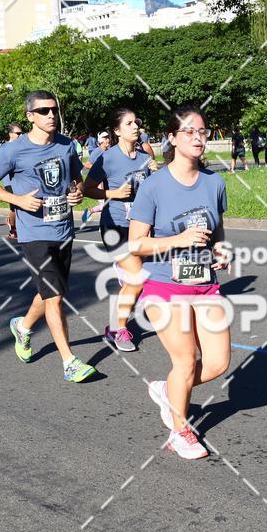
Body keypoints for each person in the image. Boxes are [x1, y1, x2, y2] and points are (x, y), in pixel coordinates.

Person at [129, 104, 231, 460]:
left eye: (202, 131)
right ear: (171, 138)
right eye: (188, 131)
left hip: (205, 283)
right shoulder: (153, 187)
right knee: (186, 361)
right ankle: (179, 430)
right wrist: (177, 240)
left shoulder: (214, 182)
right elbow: (136, 244)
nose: (198, 138)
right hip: (164, 286)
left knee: (218, 363)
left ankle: (168, 389)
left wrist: (221, 251)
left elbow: (216, 229)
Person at [0, 90, 96, 382]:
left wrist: (78, 194)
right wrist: (17, 200)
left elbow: (76, 181)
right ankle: (69, 362)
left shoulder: (67, 145)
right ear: (30, 116)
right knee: (55, 297)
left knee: (50, 292)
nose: (51, 115)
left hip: (64, 228)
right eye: (43, 111)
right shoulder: (13, 150)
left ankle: (23, 326)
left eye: (54, 110)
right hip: (34, 234)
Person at [79, 107, 158, 351]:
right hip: (115, 226)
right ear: (117, 130)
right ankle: (118, 329)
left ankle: (117, 323)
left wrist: (158, 174)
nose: (136, 127)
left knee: (136, 281)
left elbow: (152, 191)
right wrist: (113, 193)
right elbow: (86, 189)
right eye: (129, 123)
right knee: (137, 279)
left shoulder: (145, 155)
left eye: (137, 122)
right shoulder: (108, 157)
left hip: (140, 227)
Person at [81, 131, 111, 221]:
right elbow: (87, 164)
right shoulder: (97, 151)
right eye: (105, 138)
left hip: (106, 180)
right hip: (98, 180)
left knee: (107, 203)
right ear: (101, 141)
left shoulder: (109, 151)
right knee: (104, 204)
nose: (108, 140)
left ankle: (103, 223)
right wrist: (100, 169)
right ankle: (90, 212)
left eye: (108, 138)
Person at [1, 124, 23, 239]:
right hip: (9, 182)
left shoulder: (22, 146)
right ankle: (13, 229)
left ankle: (16, 225)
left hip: (21, 181)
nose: (21, 135)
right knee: (14, 207)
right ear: (11, 134)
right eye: (18, 134)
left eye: (21, 133)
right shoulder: (6, 148)